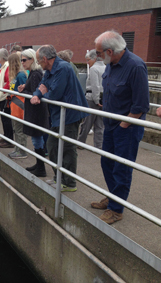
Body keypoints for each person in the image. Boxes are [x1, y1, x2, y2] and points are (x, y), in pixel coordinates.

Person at [91, 30, 150, 224]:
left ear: (110, 51)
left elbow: (141, 104)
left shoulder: (135, 66)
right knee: (106, 163)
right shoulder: (111, 64)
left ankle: (116, 209)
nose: (97, 56)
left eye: (99, 53)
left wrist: (124, 124)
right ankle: (113, 197)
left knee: (121, 168)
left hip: (126, 128)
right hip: (110, 124)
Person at [31, 45, 88, 192]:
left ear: (45, 59)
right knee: (52, 146)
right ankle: (59, 178)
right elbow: (42, 85)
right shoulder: (50, 70)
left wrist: (44, 93)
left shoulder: (62, 68)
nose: (38, 64)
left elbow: (55, 94)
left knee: (67, 149)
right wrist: (38, 93)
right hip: (58, 115)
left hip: (70, 114)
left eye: (38, 61)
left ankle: (69, 183)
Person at [18, 49, 49, 177]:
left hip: (36, 112)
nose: (22, 62)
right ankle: (39, 165)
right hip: (35, 112)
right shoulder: (33, 73)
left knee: (37, 140)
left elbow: (36, 95)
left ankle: (41, 168)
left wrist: (23, 92)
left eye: (24, 60)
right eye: (21, 60)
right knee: (37, 139)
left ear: (32, 60)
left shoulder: (35, 73)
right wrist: (24, 87)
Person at [77, 49, 106, 149]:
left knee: (87, 123)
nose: (87, 62)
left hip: (92, 98)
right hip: (103, 99)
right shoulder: (106, 68)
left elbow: (95, 86)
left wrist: (97, 100)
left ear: (94, 58)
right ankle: (99, 145)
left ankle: (81, 142)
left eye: (88, 60)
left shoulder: (94, 69)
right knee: (99, 124)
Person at [8, 53, 28, 159]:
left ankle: (22, 150)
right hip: (14, 106)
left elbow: (25, 90)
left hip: (19, 106)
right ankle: (17, 149)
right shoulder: (16, 75)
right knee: (16, 129)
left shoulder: (20, 75)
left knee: (20, 130)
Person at [0, 48, 14, 148]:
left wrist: (3, 91)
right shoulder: (3, 66)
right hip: (1, 95)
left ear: (1, 57)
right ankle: (6, 136)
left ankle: (9, 140)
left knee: (6, 119)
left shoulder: (7, 67)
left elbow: (10, 81)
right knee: (4, 118)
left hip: (4, 97)